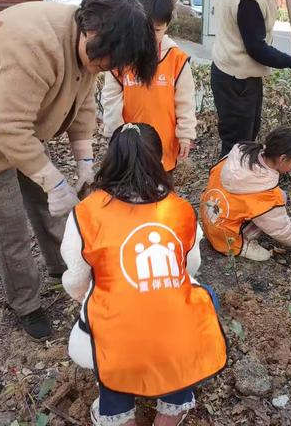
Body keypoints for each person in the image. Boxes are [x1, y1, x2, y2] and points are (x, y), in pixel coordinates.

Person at [0, 0, 158, 340]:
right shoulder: (34, 44)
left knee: (47, 206)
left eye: (110, 65)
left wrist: (84, 161)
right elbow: (6, 129)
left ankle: (63, 266)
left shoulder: (92, 46)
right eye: (102, 61)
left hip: (23, 130)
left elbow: (83, 103)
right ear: (89, 29)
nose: (103, 67)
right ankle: (25, 303)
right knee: (11, 224)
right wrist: (54, 180)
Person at [61, 123, 227, 426]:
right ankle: (171, 409)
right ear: (159, 159)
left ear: (110, 158)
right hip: (172, 328)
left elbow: (75, 279)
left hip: (116, 330)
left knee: (111, 338)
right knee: (199, 304)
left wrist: (93, 293)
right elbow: (189, 268)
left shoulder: (86, 212)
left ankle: (117, 414)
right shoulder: (179, 209)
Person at [211, 0, 291, 157]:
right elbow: (257, 49)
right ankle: (224, 187)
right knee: (237, 148)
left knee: (246, 140)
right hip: (235, 81)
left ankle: (237, 184)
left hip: (239, 74)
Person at [102, 0, 197, 172]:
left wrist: (185, 135)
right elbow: (110, 100)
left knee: (162, 194)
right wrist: (116, 135)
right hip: (128, 146)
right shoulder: (121, 58)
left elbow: (185, 102)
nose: (148, 36)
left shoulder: (176, 59)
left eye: (156, 29)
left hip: (164, 146)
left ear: (167, 25)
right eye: (143, 28)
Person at [200, 127, 291, 261]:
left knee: (280, 197)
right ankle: (240, 242)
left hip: (208, 214)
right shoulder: (266, 195)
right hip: (224, 236)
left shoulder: (241, 154)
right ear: (282, 158)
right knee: (265, 255)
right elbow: (282, 229)